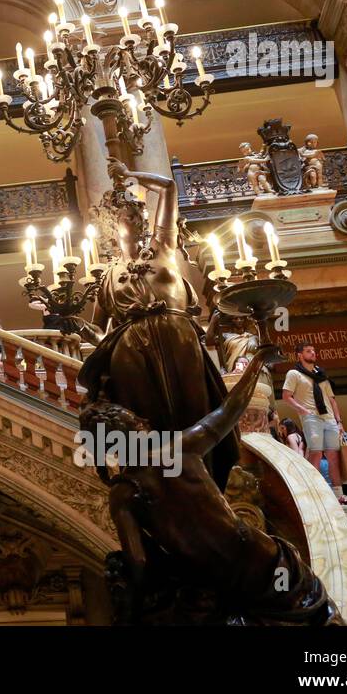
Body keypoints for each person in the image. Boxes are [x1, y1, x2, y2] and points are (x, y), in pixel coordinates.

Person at [83, 349, 341, 625]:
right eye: (135, 420)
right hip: (255, 557)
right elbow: (230, 409)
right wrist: (258, 362)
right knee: (308, 613)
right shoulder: (177, 449)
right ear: (135, 429)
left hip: (206, 578)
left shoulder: (121, 493)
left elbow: (139, 562)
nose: (145, 421)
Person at [77, 160, 239, 490]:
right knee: (147, 424)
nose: (140, 220)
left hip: (179, 340)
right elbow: (100, 333)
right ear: (113, 225)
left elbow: (167, 186)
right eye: (130, 216)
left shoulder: (163, 247)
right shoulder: (108, 277)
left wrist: (132, 176)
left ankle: (208, 486)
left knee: (197, 412)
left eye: (140, 215)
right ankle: (161, 490)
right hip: (130, 354)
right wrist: (77, 328)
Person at [282, 342, 347, 504]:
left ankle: (338, 495)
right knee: (315, 453)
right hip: (311, 417)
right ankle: (312, 494)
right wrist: (302, 410)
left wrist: (339, 421)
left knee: (333, 456)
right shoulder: (294, 373)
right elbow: (286, 396)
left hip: (329, 419)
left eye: (314, 351)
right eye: (308, 351)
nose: (313, 353)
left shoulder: (321, 374)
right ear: (299, 355)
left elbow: (332, 400)